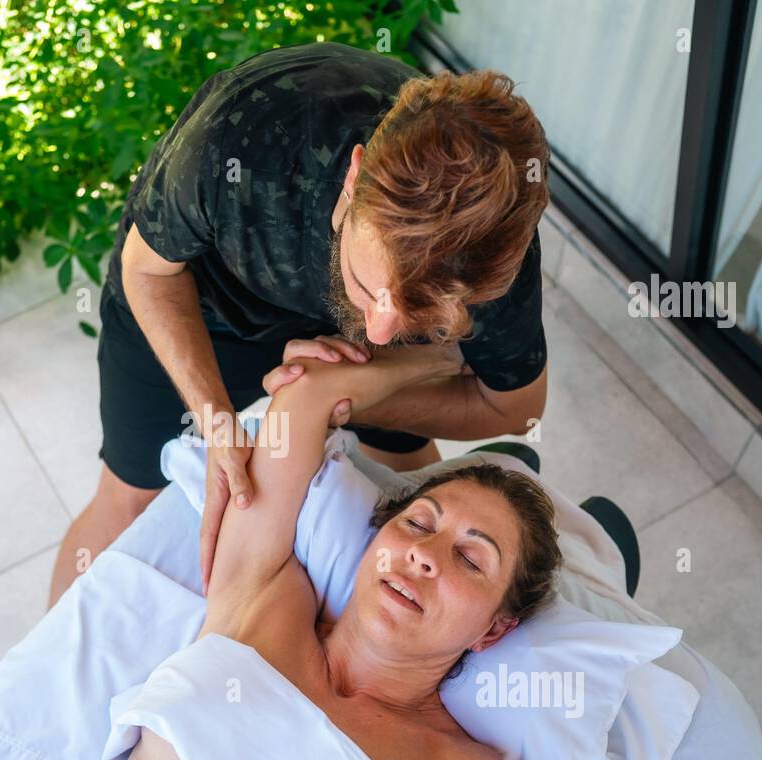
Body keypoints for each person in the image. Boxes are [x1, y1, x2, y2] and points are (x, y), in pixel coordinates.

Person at [47, 42, 551, 607]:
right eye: (368, 288)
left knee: (409, 486)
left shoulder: (491, 257)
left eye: (422, 319)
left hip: (344, 362)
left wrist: (353, 390)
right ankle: (39, 688)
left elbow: (517, 407)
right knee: (130, 495)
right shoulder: (241, 139)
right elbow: (148, 271)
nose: (381, 332)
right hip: (197, 302)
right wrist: (217, 422)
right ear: (352, 182)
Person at [26, 343, 562, 760]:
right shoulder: (265, 604)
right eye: (417, 523)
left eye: (470, 559)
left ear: (493, 631)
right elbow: (307, 396)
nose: (423, 555)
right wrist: (450, 356)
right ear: (375, 542)